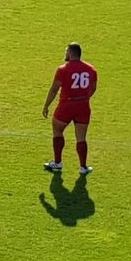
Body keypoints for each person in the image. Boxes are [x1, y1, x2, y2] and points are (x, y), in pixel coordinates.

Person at [42, 42, 97, 174]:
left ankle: (57, 163)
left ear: (71, 53)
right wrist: (84, 97)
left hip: (66, 105)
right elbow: (93, 88)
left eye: (66, 51)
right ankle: (83, 167)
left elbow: (54, 89)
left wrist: (46, 105)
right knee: (81, 138)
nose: (65, 54)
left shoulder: (63, 69)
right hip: (83, 106)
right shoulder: (91, 69)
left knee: (57, 130)